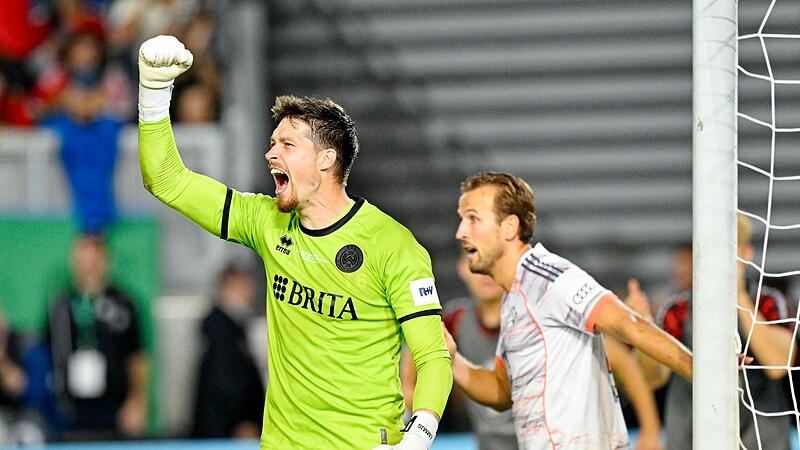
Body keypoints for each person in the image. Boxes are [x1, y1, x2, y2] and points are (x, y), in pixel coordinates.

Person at [137, 35, 452, 450]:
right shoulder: (266, 221)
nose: (271, 154)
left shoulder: (392, 244)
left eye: (287, 144)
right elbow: (167, 180)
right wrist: (153, 94)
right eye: (272, 144)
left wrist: (420, 435)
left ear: (326, 159)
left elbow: (433, 356)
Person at [446, 171, 692, 449]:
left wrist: (706, 374)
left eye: (473, 219)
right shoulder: (514, 298)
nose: (461, 232)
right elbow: (503, 390)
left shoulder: (548, 277)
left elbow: (629, 324)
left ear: (509, 227)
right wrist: (450, 359)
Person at [404, 255, 664, 450]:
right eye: (472, 257)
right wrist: (411, 400)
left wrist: (650, 429)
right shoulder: (456, 322)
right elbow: (416, 355)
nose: (484, 273)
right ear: (463, 268)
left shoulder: (537, 313)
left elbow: (618, 357)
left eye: (492, 260)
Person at [633, 215, 796, 450]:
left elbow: (779, 364)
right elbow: (653, 377)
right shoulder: (678, 310)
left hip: (763, 442)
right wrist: (642, 328)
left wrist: (739, 297)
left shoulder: (768, 302)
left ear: (746, 252)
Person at [45, 234, 149, 441]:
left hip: (114, 406)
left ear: (105, 261)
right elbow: (48, 350)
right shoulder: (61, 304)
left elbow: (137, 355)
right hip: (72, 408)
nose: (88, 267)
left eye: (94, 260)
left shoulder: (124, 303)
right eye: (83, 260)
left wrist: (137, 400)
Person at [192, 264, 264, 439]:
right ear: (227, 286)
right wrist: (241, 421)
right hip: (226, 429)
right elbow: (224, 382)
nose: (250, 292)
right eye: (243, 285)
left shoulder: (235, 325)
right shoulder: (219, 327)